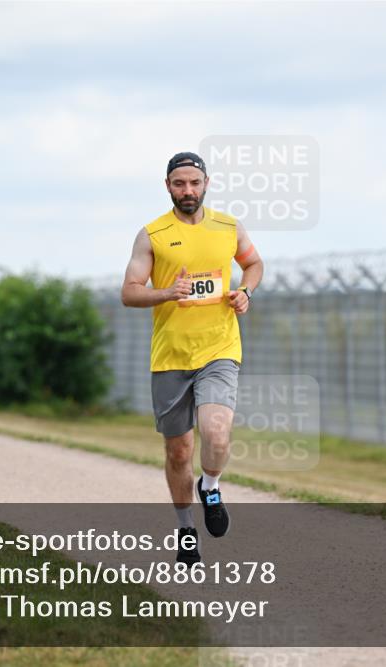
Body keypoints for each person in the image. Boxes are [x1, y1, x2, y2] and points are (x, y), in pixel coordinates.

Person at [121, 152, 264, 566]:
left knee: (216, 433)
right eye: (180, 183)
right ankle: (186, 529)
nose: (188, 191)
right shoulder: (153, 234)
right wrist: (167, 292)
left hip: (220, 348)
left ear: (206, 184)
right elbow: (129, 291)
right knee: (179, 453)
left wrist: (246, 292)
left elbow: (253, 263)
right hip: (170, 356)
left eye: (195, 183)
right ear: (168, 186)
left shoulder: (228, 227)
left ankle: (212, 486)